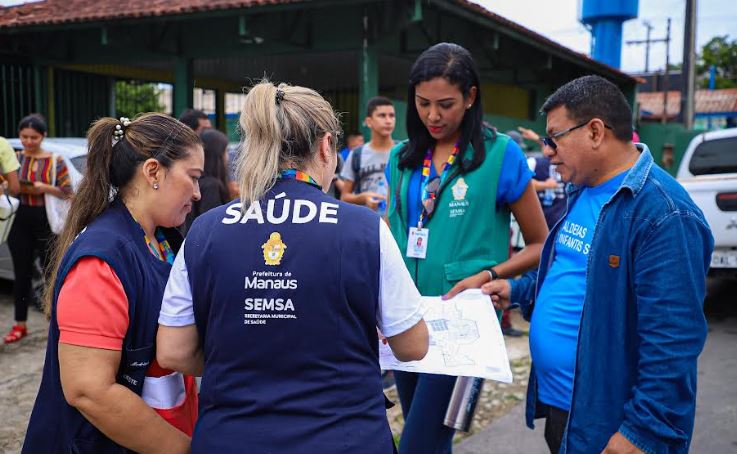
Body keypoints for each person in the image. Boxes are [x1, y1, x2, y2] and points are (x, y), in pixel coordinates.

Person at [156, 80, 429, 453]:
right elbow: (413, 346)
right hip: (344, 438)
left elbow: (173, 351)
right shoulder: (364, 228)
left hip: (232, 437)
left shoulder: (206, 230)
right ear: (325, 146)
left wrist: (248, 358)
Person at [483, 75, 713, 454]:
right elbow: (570, 274)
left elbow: (673, 341)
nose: (548, 152)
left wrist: (642, 433)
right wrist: (515, 290)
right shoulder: (583, 190)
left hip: (614, 426)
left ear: (594, 132)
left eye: (554, 138)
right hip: (568, 412)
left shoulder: (664, 214)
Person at [385, 42, 548, 453]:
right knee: (430, 442)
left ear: (471, 97)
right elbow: (393, 233)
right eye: (423, 104)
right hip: (406, 319)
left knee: (418, 446)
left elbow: (541, 244)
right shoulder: (402, 158)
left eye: (446, 104)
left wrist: (490, 275)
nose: (433, 115)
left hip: (463, 327)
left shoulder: (500, 155)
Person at [23, 113, 203, 453]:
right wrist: (184, 448)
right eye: (192, 177)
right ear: (153, 172)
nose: (196, 193)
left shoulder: (163, 239)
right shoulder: (102, 259)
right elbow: (89, 390)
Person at [4, 115, 72, 344]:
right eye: (24, 136)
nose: (28, 141)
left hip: (45, 220)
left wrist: (44, 188)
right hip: (19, 219)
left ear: (43, 136)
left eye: (34, 137)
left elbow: (68, 191)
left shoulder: (55, 161)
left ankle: (57, 322)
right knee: (21, 273)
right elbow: (8, 186)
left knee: (51, 273)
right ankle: (19, 324)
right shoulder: (14, 159)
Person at [340, 97, 396, 215]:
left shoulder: (404, 151)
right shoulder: (357, 154)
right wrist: (363, 198)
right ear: (369, 121)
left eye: (392, 115)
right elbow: (344, 197)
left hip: (397, 227)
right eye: (382, 115)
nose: (388, 120)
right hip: (367, 224)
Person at [517, 126, 567, 229]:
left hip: (560, 222)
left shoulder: (567, 163)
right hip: (538, 221)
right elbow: (521, 183)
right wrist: (545, 185)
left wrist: (536, 138)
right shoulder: (534, 162)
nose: (546, 147)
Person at [182, 128, 231, 233]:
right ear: (217, 154)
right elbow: (212, 226)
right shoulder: (211, 185)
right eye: (226, 151)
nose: (228, 156)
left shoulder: (199, 181)